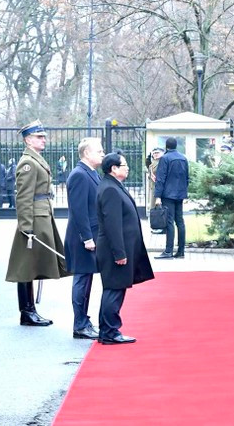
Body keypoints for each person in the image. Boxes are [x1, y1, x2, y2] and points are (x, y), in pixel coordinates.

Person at [5, 120, 69, 327]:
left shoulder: (35, 159)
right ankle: (27, 312)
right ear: (28, 140)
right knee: (26, 267)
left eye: (43, 136)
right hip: (33, 220)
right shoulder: (28, 163)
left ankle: (30, 310)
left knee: (30, 267)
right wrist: (26, 227)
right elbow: (23, 197)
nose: (44, 140)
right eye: (39, 137)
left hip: (41, 216)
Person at [96, 152, 155, 344]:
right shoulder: (110, 189)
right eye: (124, 165)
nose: (127, 167)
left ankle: (108, 329)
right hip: (115, 250)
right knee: (114, 289)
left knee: (116, 288)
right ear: (113, 168)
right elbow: (113, 224)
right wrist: (119, 253)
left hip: (121, 248)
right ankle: (110, 332)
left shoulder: (113, 186)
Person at [65, 138, 105, 340]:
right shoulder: (80, 175)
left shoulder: (90, 173)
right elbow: (79, 211)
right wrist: (87, 238)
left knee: (86, 279)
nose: (103, 154)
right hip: (82, 238)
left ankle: (83, 321)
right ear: (87, 153)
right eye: (99, 151)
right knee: (82, 279)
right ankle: (79, 324)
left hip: (90, 235)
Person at [154, 137, 190, 259]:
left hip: (168, 194)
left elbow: (160, 178)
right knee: (180, 222)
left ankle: (168, 251)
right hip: (180, 194)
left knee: (169, 222)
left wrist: (157, 196)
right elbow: (187, 177)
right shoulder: (183, 158)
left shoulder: (165, 158)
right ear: (176, 146)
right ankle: (181, 251)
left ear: (166, 146)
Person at [145, 147, 164, 223]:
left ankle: (159, 224)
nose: (155, 154)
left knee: (159, 208)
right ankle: (155, 224)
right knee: (153, 208)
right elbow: (148, 164)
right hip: (152, 187)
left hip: (158, 187)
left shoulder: (162, 162)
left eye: (157, 153)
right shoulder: (153, 163)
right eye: (154, 153)